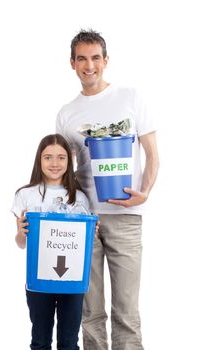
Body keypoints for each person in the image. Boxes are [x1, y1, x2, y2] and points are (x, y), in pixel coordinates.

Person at [56, 29, 160, 350]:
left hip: (126, 216)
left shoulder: (130, 98)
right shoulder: (67, 114)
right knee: (90, 312)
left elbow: (152, 153)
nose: (90, 65)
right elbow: (65, 171)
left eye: (96, 58)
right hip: (86, 221)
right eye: (82, 59)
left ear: (106, 61)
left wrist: (145, 191)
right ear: (72, 63)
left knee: (127, 313)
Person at [11, 133, 90, 350]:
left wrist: (91, 232)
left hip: (72, 281)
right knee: (40, 342)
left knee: (69, 343)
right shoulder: (25, 195)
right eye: (48, 157)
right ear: (39, 160)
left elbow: (84, 245)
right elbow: (21, 243)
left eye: (61, 157)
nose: (54, 163)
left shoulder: (79, 198)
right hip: (39, 279)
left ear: (69, 161)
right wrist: (20, 231)